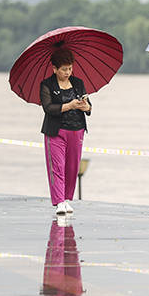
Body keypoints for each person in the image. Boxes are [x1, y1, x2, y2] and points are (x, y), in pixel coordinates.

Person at [40, 48, 91, 216]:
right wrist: (69, 105)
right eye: (63, 69)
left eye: (70, 68)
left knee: (72, 167)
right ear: (54, 69)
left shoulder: (78, 83)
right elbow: (48, 108)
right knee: (57, 167)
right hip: (56, 131)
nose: (67, 72)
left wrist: (86, 106)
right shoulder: (47, 85)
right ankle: (59, 201)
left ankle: (67, 199)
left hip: (77, 130)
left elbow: (89, 107)